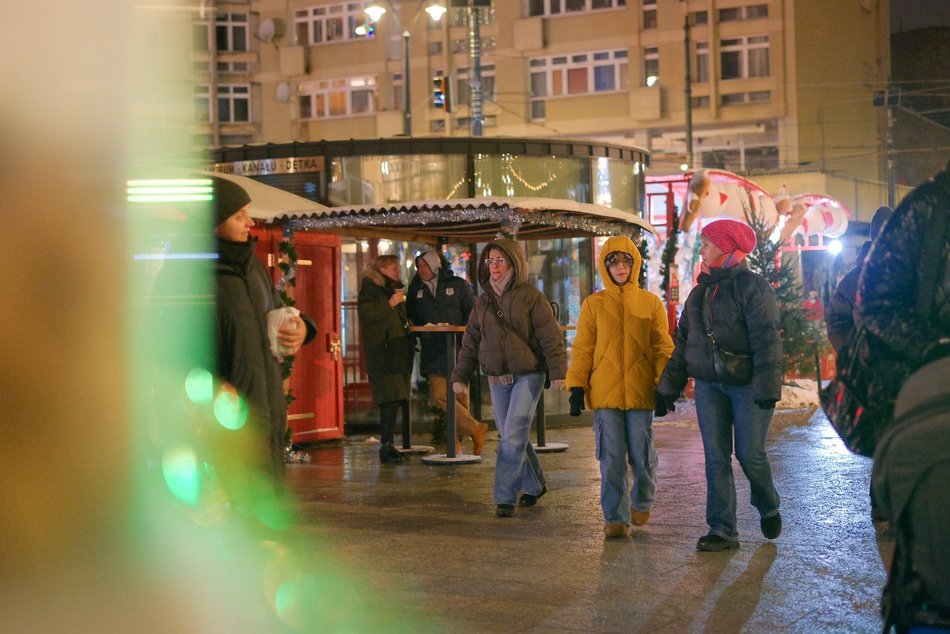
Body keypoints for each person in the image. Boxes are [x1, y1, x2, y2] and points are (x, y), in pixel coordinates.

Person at [155, 176, 317, 495]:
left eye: (248, 213)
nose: (250, 222)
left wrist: (302, 328)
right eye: (239, 215)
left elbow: (279, 311)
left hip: (265, 414)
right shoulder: (183, 275)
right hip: (215, 426)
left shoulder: (253, 269)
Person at [656, 219, 783, 552]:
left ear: (727, 248)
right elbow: (683, 345)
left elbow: (767, 342)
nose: (702, 249)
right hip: (710, 387)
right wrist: (667, 390)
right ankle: (723, 529)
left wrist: (769, 389)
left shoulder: (754, 289)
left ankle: (768, 503)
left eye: (707, 243)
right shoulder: (699, 293)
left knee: (750, 454)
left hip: (748, 386)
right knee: (716, 458)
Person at [565, 236, 674, 539]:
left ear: (635, 264)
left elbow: (662, 347)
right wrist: (576, 386)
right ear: (605, 266)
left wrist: (665, 385)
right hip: (605, 395)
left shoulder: (650, 303)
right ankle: (615, 516)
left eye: (626, 261)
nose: (621, 267)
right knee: (611, 457)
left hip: (641, 394)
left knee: (641, 456)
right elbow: (584, 349)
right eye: (614, 261)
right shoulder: (593, 305)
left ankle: (642, 500)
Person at [450, 239, 567, 517]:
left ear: (514, 263)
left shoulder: (531, 296)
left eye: (500, 261)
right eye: (490, 261)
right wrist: (461, 374)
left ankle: (504, 496)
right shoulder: (483, 301)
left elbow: (550, 337)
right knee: (512, 436)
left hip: (528, 375)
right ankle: (534, 484)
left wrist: (559, 372)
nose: (494, 267)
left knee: (512, 436)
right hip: (497, 378)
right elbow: (470, 341)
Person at [407, 249, 487, 455]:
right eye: (418, 266)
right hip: (433, 351)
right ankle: (475, 429)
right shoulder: (417, 290)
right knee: (440, 395)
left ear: (435, 265)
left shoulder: (458, 286)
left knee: (460, 399)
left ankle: (457, 446)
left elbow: (473, 312)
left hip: (460, 350)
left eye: (423, 265)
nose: (420, 269)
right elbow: (412, 315)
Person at [358, 254, 415, 464]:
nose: (397, 273)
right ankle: (386, 445)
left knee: (396, 398)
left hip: (396, 352)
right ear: (381, 270)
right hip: (383, 354)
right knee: (389, 399)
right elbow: (368, 315)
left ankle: (389, 444)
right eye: (393, 269)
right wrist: (389, 303)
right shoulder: (371, 289)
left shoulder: (393, 289)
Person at [825, 205, 892, 353]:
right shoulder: (853, 281)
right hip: (874, 369)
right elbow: (836, 320)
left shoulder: (913, 271)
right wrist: (858, 352)